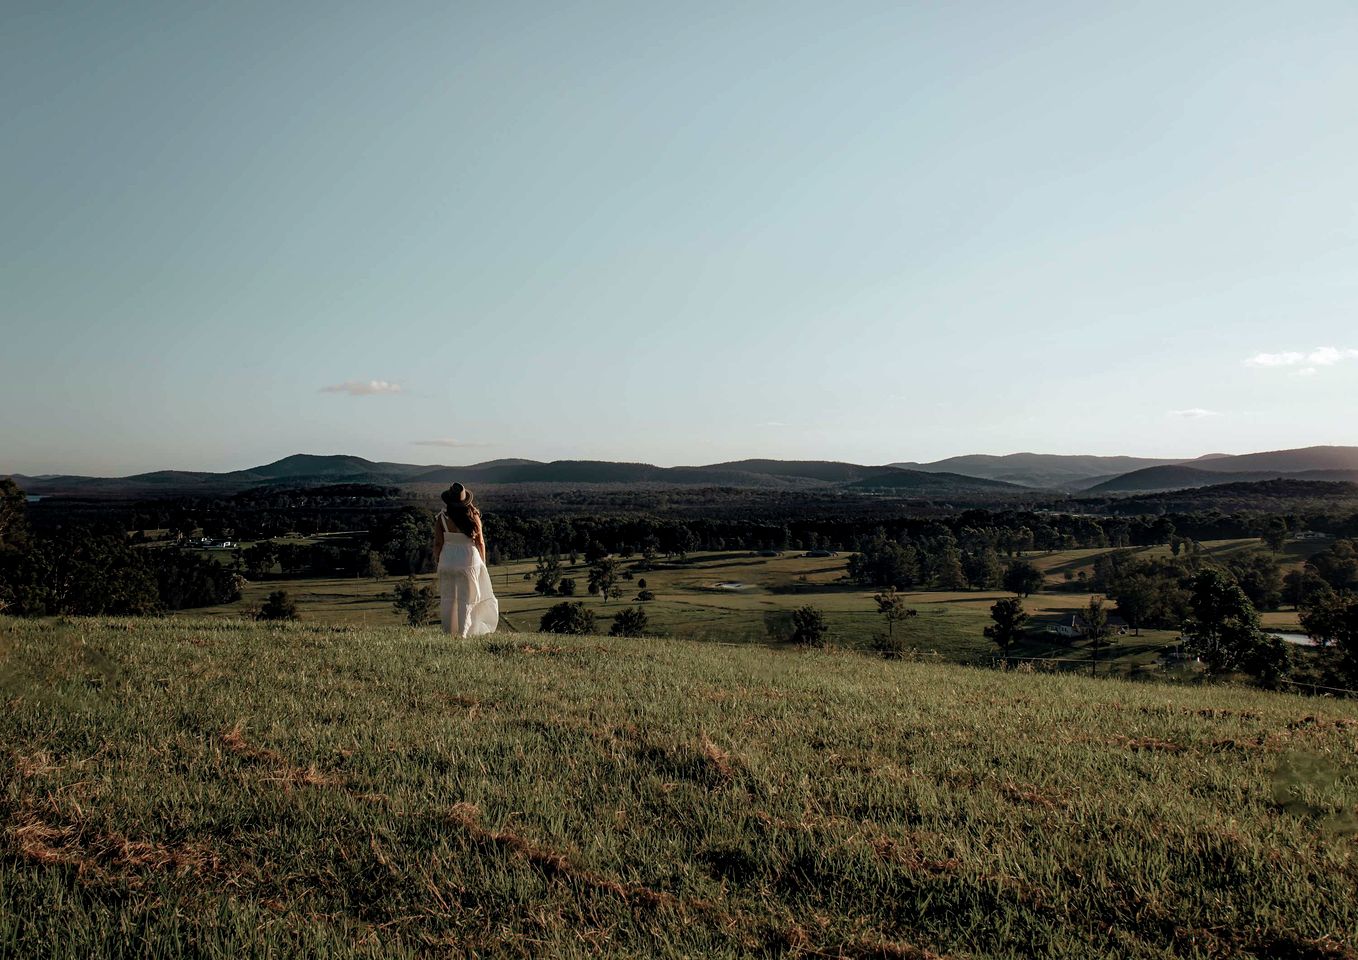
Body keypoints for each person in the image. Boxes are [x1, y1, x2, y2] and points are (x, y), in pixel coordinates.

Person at [433, 483, 498, 636]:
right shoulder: (473, 516)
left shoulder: (441, 517)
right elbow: (480, 542)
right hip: (468, 560)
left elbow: (438, 542)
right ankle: (464, 632)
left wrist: (438, 559)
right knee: (467, 599)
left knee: (448, 597)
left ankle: (449, 632)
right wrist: (483, 561)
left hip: (448, 559)